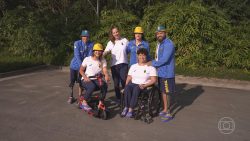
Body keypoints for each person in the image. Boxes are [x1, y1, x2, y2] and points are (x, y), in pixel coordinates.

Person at [148, 25, 176, 122]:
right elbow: (157, 57)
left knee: (167, 92)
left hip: (167, 73)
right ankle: (164, 109)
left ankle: (169, 113)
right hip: (161, 72)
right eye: (158, 33)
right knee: (163, 91)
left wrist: (152, 63)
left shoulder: (169, 44)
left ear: (165, 33)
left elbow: (165, 59)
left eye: (161, 33)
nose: (159, 35)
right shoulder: (159, 43)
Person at [121, 48, 157, 118]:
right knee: (127, 88)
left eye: (143, 55)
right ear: (137, 56)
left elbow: (154, 80)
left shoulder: (151, 67)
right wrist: (125, 86)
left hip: (143, 85)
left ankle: (131, 109)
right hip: (133, 84)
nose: (142, 57)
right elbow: (129, 77)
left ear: (146, 56)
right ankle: (126, 107)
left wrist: (145, 85)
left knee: (136, 89)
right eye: (140, 55)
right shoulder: (133, 66)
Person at [79, 43, 110, 111]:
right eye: (96, 50)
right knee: (91, 86)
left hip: (96, 79)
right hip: (86, 79)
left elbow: (104, 70)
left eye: (100, 51)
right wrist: (85, 77)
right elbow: (81, 70)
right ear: (93, 51)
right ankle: (83, 102)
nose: (98, 52)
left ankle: (100, 102)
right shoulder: (87, 59)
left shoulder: (102, 60)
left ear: (102, 52)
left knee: (104, 85)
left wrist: (107, 75)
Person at [103, 26, 129, 103]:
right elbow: (106, 52)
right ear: (112, 34)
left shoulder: (125, 40)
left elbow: (129, 50)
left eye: (116, 32)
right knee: (116, 84)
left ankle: (126, 98)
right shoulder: (110, 43)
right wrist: (99, 56)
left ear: (119, 31)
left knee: (124, 81)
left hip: (124, 64)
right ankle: (118, 98)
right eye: (114, 33)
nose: (116, 34)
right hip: (114, 66)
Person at [68, 30, 94, 104]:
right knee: (72, 81)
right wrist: (81, 66)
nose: (85, 38)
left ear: (88, 37)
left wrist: (86, 66)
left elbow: (89, 56)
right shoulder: (77, 43)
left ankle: (80, 96)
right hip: (74, 66)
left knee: (81, 81)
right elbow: (77, 55)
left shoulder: (91, 44)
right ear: (81, 37)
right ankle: (71, 96)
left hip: (83, 66)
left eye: (86, 36)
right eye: (84, 36)